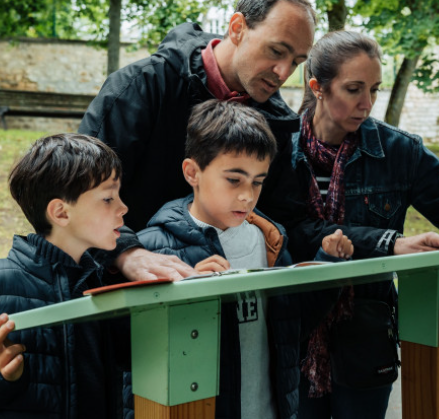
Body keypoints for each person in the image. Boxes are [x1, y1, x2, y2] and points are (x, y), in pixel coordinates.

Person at [80, 0, 439, 275]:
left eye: (297, 61)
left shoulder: (277, 123)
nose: (284, 73)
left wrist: (388, 243)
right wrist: (127, 255)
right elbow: (76, 188)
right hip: (122, 287)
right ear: (237, 28)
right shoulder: (141, 88)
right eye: (276, 51)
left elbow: (291, 225)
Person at [289, 30, 439, 419]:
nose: (367, 103)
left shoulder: (399, 150)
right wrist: (390, 243)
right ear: (316, 87)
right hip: (294, 331)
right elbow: (293, 231)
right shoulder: (277, 147)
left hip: (367, 331)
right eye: (354, 89)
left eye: (374, 89)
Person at [126, 99, 354, 419]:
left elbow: (291, 328)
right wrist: (189, 298)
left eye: (257, 181)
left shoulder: (271, 239)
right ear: (193, 172)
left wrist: (328, 264)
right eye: (234, 179)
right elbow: (133, 361)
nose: (247, 195)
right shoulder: (155, 250)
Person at [0, 134, 147, 418]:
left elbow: (133, 356)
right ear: (61, 212)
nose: (123, 207)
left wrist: (181, 293)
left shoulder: (102, 282)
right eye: (108, 198)